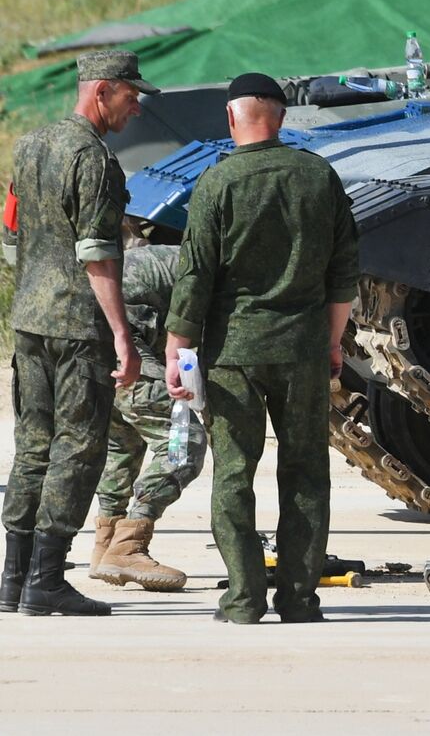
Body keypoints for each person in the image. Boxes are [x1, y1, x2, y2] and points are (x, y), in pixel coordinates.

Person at [164, 72, 359, 624]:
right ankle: (299, 599)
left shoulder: (217, 183)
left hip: (232, 354)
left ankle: (243, 600)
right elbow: (344, 271)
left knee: (233, 474)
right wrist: (332, 342)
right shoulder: (318, 176)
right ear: (281, 117)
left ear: (231, 118)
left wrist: (180, 353)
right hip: (301, 348)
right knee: (305, 473)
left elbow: (194, 277)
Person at [1, 50, 150, 617]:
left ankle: (13, 578)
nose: (135, 108)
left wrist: (38, 286)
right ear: (102, 92)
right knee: (79, 447)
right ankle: (46, 579)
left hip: (29, 319)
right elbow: (97, 254)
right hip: (76, 328)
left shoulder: (30, 144)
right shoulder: (95, 160)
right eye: (131, 96)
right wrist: (122, 336)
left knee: (33, 445)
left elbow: (10, 235)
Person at [89, 243, 207, 591]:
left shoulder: (189, 255)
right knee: (184, 442)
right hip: (128, 342)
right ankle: (128, 546)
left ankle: (106, 542)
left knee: (123, 440)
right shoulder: (218, 269)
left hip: (92, 338)